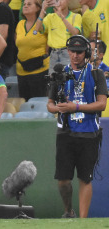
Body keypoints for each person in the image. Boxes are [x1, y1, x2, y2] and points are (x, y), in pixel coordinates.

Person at [47, 35, 107, 218]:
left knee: (85, 178)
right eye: (72, 51)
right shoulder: (59, 73)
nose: (75, 55)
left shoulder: (96, 73)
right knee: (63, 180)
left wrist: (76, 107)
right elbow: (49, 104)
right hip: (66, 131)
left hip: (89, 132)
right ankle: (68, 211)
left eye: (79, 52)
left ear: (86, 53)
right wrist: (57, 108)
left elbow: (102, 104)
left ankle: (82, 221)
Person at [15, 0, 50, 101]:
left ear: (38, 8)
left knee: (39, 102)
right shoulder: (20, 24)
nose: (25, 6)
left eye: (29, 4)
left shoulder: (44, 23)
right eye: (24, 4)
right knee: (24, 103)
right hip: (21, 70)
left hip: (39, 68)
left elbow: (49, 42)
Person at [35, 0, 81, 74]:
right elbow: (37, 29)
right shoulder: (50, 17)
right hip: (53, 54)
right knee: (53, 82)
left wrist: (62, 17)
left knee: (68, 80)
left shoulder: (76, 16)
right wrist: (43, 10)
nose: (59, 2)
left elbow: (75, 33)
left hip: (68, 53)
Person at [80, 0, 109, 66]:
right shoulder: (85, 17)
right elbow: (87, 38)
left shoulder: (106, 3)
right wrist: (90, 37)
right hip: (102, 53)